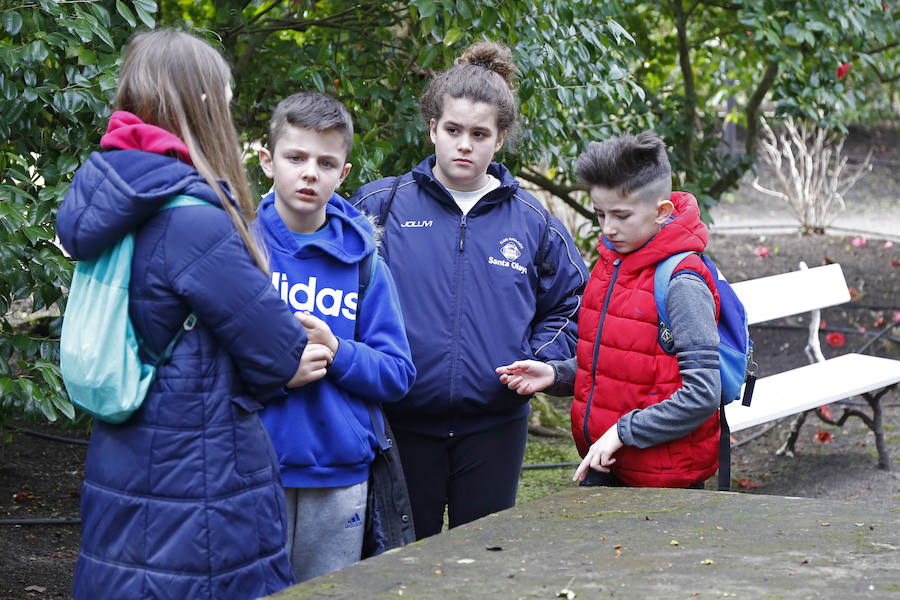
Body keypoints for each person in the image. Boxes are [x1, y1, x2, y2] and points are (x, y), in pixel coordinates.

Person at [56, 29, 314, 599]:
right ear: (201, 105)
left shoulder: (118, 197)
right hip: (199, 481)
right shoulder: (193, 220)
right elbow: (279, 353)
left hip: (125, 460)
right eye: (222, 99)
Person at [351, 41, 588, 539]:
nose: (464, 144)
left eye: (479, 134)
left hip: (495, 427)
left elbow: (576, 302)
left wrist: (536, 357)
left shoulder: (532, 220)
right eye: (453, 130)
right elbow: (344, 293)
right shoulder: (379, 205)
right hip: (400, 423)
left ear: (499, 139)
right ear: (433, 128)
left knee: (481, 563)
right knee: (401, 565)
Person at [497, 131, 723, 489]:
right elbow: (620, 363)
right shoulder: (611, 265)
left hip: (662, 482)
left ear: (662, 212)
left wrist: (623, 431)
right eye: (600, 214)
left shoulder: (682, 283)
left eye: (621, 215)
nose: (608, 228)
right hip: (609, 465)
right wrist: (556, 374)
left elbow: (702, 394)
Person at [254, 92, 416, 581]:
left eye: (326, 163)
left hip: (342, 475)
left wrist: (339, 351)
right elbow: (206, 365)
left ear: (343, 174)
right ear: (267, 161)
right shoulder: (241, 250)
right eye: (295, 157)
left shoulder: (366, 263)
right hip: (254, 470)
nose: (309, 173)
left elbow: (398, 373)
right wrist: (280, 373)